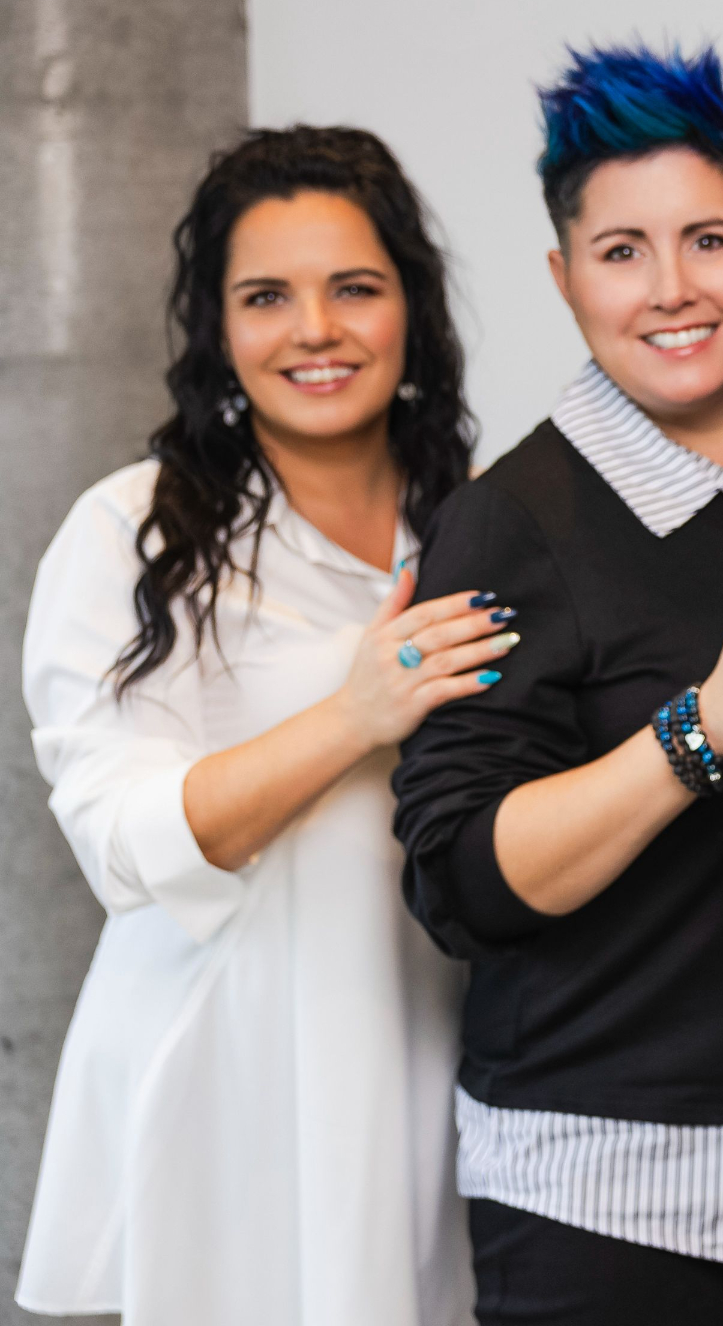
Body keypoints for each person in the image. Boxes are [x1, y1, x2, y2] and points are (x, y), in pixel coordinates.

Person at [390, 43, 723, 1326]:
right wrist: (703, 726)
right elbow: (463, 882)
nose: (673, 289)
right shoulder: (509, 522)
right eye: (622, 252)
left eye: (708, 241)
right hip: (599, 1202)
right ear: (564, 276)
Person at [17, 127, 491, 1325]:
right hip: (230, 1077)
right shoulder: (133, 534)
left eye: (355, 288)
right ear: (218, 328)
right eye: (267, 296)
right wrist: (354, 715)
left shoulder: (484, 529)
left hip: (445, 1057)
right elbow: (120, 840)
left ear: (412, 310)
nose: (315, 330)